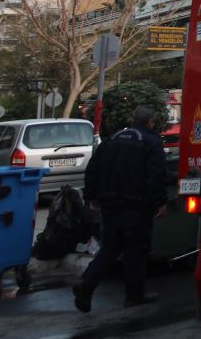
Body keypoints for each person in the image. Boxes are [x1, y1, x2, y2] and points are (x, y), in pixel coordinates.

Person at [72, 105, 167, 312]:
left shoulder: (112, 139)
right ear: (150, 122)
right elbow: (156, 175)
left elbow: (93, 168)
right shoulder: (151, 142)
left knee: (110, 248)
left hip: (109, 204)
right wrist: (159, 202)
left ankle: (86, 284)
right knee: (136, 250)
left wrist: (92, 196)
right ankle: (134, 296)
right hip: (136, 205)